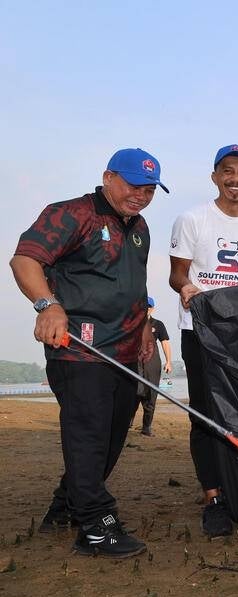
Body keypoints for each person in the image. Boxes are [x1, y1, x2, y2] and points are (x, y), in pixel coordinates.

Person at [10, 147, 168, 557]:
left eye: (150, 189)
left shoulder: (141, 227)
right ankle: (96, 526)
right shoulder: (72, 213)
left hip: (125, 351)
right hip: (79, 349)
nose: (141, 195)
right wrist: (49, 305)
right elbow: (25, 259)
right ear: (108, 177)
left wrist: (146, 326)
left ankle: (65, 509)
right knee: (88, 436)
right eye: (134, 185)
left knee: (111, 438)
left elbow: (132, 283)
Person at [169, 143, 238, 539]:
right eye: (228, 171)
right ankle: (212, 496)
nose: (235, 179)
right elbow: (175, 274)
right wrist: (187, 288)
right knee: (205, 413)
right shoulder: (192, 219)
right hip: (200, 331)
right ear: (215, 176)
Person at [134, 296, 172, 437]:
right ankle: (127, 421)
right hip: (135, 361)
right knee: (134, 391)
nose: (147, 309)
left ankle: (147, 426)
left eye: (149, 306)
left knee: (151, 394)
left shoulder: (158, 324)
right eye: (144, 306)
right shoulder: (133, 323)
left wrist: (168, 361)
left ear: (153, 308)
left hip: (152, 363)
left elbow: (165, 343)